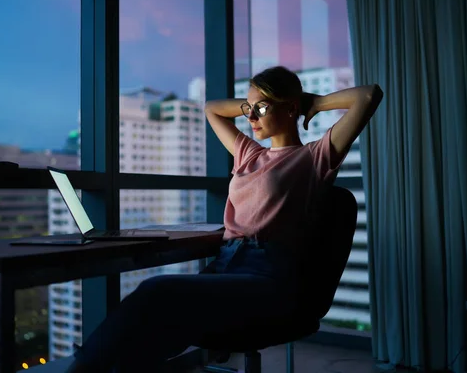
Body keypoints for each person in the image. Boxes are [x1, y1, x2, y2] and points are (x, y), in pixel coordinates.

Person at [66, 65, 383, 373]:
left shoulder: (314, 158)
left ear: (290, 108)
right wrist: (259, 102)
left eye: (262, 108)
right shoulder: (249, 154)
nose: (251, 116)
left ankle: (82, 368)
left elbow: (368, 96)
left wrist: (313, 103)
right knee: (159, 329)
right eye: (248, 107)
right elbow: (212, 109)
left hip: (269, 276)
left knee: (156, 291)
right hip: (224, 265)